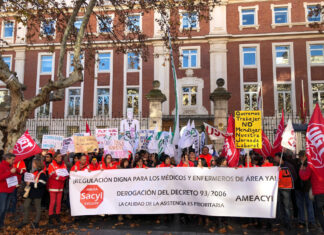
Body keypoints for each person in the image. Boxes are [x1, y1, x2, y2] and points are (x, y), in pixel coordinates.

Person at [18, 158, 47, 229]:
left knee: (37, 207)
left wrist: (30, 184)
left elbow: (42, 184)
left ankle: (36, 222)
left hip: (37, 193)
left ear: (37, 164)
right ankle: (25, 221)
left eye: (33, 163)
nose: (32, 164)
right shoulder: (33, 171)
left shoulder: (42, 173)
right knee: (26, 205)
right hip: (31, 192)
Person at [299, 152, 324, 232]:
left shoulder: (312, 164)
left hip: (318, 192)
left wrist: (301, 170)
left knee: (319, 212)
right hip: (318, 190)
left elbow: (304, 177)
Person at [295, 150, 316, 229]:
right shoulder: (297, 163)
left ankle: (312, 222)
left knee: (309, 205)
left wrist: (304, 168)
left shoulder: (309, 164)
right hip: (299, 187)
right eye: (300, 156)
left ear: (305, 156)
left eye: (302, 156)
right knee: (300, 205)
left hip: (307, 187)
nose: (301, 158)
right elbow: (296, 173)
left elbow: (309, 175)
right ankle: (302, 221)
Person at [48, 153, 68, 224]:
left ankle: (57, 215)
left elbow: (66, 174)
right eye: (59, 157)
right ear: (55, 158)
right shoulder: (51, 165)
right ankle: (50, 216)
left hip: (60, 186)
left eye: (61, 157)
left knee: (59, 202)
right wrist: (61, 178)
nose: (60, 158)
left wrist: (64, 178)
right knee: (53, 202)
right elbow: (51, 175)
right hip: (53, 186)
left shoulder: (64, 165)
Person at [0, 153, 17, 230]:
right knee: (2, 208)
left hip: (10, 190)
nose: (13, 161)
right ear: (7, 159)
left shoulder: (11, 166)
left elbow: (12, 176)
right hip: (3, 191)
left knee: (5, 208)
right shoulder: (1, 166)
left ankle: (1, 223)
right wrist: (10, 172)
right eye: (12, 159)